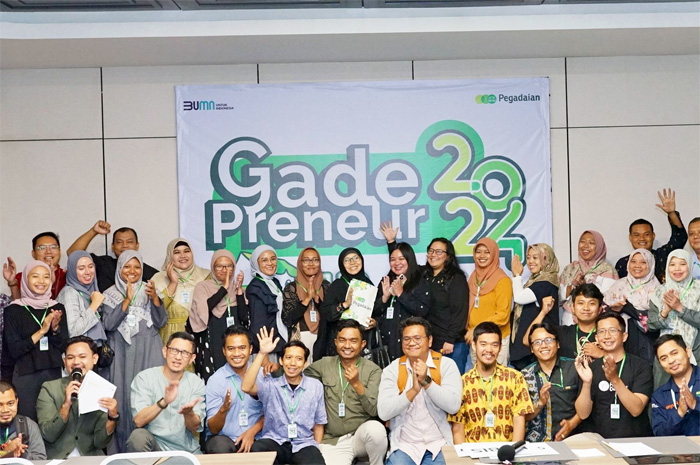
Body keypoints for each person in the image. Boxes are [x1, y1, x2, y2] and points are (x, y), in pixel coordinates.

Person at [380, 224, 470, 375]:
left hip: (450, 343)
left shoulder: (456, 278)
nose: (433, 254)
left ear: (448, 256)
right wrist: (391, 243)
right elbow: (403, 263)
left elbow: (460, 312)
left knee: (451, 382)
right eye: (431, 251)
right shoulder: (423, 274)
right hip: (429, 341)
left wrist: (450, 339)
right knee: (430, 382)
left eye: (439, 251)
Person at [102, 250, 168, 452]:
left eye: (137, 267)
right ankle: (122, 453)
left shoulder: (150, 289)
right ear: (119, 268)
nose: (132, 271)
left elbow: (161, 322)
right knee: (122, 399)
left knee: (150, 396)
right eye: (127, 266)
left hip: (148, 351)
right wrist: (127, 300)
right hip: (121, 353)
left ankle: (150, 449)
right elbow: (109, 324)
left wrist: (155, 298)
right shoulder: (110, 294)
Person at [378, 316, 461, 465]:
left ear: (430, 341)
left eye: (417, 338)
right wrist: (413, 391)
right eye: (406, 339)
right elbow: (384, 412)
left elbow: (453, 406)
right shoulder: (392, 370)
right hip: (405, 445)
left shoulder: (446, 365)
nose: (411, 343)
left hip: (439, 442)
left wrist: (427, 382)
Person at [305, 319, 386, 465]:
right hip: (334, 440)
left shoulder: (373, 370)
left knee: (376, 430)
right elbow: (297, 377)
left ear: (362, 344)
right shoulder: (324, 364)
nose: (347, 346)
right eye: (342, 340)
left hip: (360, 436)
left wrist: (356, 383)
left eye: (353, 341)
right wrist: (276, 370)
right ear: (336, 342)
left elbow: (373, 410)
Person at [242, 328, 327, 465]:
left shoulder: (315, 386)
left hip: (303, 443)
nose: (293, 363)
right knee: (258, 448)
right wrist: (262, 353)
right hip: (276, 441)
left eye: (299, 359)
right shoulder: (271, 384)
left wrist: (315, 448)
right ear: (281, 361)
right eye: (288, 358)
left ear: (305, 363)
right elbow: (246, 387)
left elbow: (319, 423)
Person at [3, 260, 68, 421]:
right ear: (26, 279)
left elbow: (63, 345)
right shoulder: (13, 310)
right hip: (25, 375)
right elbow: (14, 350)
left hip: (53, 374)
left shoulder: (57, 307)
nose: (41, 281)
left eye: (46, 277)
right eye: (35, 276)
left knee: (54, 422)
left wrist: (55, 329)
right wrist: (42, 331)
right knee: (27, 423)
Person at [450, 321, 533, 443]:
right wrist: (463, 454)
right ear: (474, 345)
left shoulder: (515, 378)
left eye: (494, 345)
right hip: (472, 451)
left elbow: (519, 421)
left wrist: (513, 452)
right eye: (483, 344)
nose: (489, 350)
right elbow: (458, 426)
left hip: (505, 451)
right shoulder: (462, 382)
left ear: (500, 347)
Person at [36, 336, 117, 458]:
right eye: (70, 358)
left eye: (82, 357)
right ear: (64, 361)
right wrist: (65, 406)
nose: (76, 362)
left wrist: (112, 418)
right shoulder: (49, 389)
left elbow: (100, 442)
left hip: (90, 459)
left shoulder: (103, 389)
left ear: (95, 358)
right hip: (59, 459)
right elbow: (48, 435)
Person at [575, 312, 653, 438]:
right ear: (596, 338)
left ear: (624, 336)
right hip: (601, 440)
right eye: (602, 331)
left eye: (613, 330)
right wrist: (587, 383)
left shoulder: (641, 366)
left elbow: (636, 409)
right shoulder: (591, 368)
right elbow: (583, 414)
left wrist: (615, 379)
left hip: (635, 440)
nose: (607, 336)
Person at [128, 332, 205, 453]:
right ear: (165, 351)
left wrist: (189, 413)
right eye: (174, 350)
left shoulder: (196, 383)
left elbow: (194, 427)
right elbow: (138, 421)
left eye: (185, 353)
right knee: (138, 437)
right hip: (154, 448)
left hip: (186, 451)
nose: (178, 357)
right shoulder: (145, 378)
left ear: (192, 358)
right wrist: (164, 402)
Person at [203, 325, 263, 454]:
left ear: (250, 349)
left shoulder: (262, 375)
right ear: (224, 351)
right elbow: (213, 429)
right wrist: (223, 410)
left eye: (242, 348)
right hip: (225, 438)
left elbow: (273, 413)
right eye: (231, 349)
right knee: (219, 446)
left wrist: (251, 432)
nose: (236, 354)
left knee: (266, 447)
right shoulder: (215, 380)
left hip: (257, 437)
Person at [189, 250, 248, 381]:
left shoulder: (237, 288)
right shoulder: (203, 287)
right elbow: (205, 309)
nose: (224, 270)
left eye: (228, 266)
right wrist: (224, 289)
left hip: (235, 344)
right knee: (215, 379)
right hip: (213, 341)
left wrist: (239, 291)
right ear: (212, 267)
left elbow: (244, 318)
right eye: (219, 266)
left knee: (237, 379)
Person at [521, 323, 583, 442]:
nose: (543, 345)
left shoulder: (575, 368)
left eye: (548, 340)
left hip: (570, 439)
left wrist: (572, 424)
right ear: (532, 349)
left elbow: (588, 404)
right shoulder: (524, 375)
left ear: (558, 344)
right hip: (535, 442)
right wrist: (540, 403)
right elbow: (522, 417)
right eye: (537, 342)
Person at [648, 249, 700, 387]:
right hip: (666, 355)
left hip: (696, 351)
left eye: (682, 264)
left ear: (690, 265)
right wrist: (665, 311)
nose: (677, 269)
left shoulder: (698, 289)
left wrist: (680, 308)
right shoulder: (659, 291)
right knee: (664, 394)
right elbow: (650, 324)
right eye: (672, 264)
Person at [615, 189, 688, 282]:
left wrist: (671, 213)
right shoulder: (622, 264)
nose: (642, 238)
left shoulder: (662, 255)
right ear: (630, 238)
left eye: (646, 234)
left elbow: (680, 238)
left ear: (653, 236)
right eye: (637, 235)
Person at [373, 242, 430, 361]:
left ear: (409, 259)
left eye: (401, 259)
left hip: (411, 344)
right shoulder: (386, 281)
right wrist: (384, 297)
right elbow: (374, 312)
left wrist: (401, 294)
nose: (396, 263)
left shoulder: (420, 280)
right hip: (388, 344)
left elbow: (422, 310)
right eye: (392, 259)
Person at [65, 221, 158, 291]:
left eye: (129, 242)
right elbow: (73, 254)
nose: (124, 245)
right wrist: (93, 231)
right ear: (112, 246)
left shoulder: (150, 273)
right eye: (119, 242)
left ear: (137, 246)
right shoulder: (103, 264)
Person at [604, 249, 661, 363]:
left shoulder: (657, 289)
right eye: (633, 261)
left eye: (643, 262)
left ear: (650, 265)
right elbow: (602, 311)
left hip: (645, 341)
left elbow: (657, 320)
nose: (637, 266)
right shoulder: (619, 285)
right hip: (617, 338)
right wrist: (614, 309)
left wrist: (627, 308)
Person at [510, 243, 560, 370]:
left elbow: (519, 298)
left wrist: (517, 275)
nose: (530, 261)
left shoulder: (546, 283)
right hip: (529, 347)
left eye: (535, 257)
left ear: (546, 259)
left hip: (536, 346)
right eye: (528, 257)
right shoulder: (535, 280)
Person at [152, 238, 210, 346]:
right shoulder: (158, 279)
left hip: (199, 336)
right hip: (169, 337)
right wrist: (173, 283)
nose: (183, 255)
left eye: (186, 251)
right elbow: (157, 312)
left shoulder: (206, 276)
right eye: (177, 252)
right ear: (170, 256)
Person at [320, 248, 375, 359]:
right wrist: (345, 304)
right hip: (341, 345)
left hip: (363, 346)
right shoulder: (337, 285)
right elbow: (327, 314)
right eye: (347, 260)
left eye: (356, 258)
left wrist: (374, 322)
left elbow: (375, 312)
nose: (352, 262)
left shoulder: (368, 284)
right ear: (342, 265)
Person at [466, 238, 512, 366]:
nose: (482, 256)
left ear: (494, 254)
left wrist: (476, 329)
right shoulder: (473, 277)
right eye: (478, 252)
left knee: (496, 377)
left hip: (495, 339)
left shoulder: (502, 280)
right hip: (476, 338)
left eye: (487, 252)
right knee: (478, 376)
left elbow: (503, 315)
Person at [282, 247, 330, 365]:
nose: (311, 263)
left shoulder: (326, 286)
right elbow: (288, 319)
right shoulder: (291, 288)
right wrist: (307, 299)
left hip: (323, 338)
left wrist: (317, 299)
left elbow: (330, 315)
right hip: (301, 338)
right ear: (300, 263)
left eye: (315, 260)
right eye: (306, 260)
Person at [559, 230, 617, 325]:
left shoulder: (607, 270)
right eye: (582, 241)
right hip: (568, 322)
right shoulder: (570, 268)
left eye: (591, 243)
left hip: (596, 322)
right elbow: (557, 298)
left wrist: (586, 287)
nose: (585, 246)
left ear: (599, 247)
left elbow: (610, 300)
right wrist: (572, 287)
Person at [651, 334, 700, 436]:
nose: (671, 361)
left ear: (688, 352)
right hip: (679, 446)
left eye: (674, 353)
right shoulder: (659, 396)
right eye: (664, 358)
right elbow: (660, 434)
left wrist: (695, 405)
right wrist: (680, 413)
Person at [56, 251, 107, 349]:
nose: (88, 272)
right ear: (72, 271)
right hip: (79, 353)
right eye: (81, 268)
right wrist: (94, 305)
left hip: (92, 350)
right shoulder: (69, 293)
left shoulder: (92, 291)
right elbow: (73, 331)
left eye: (91, 266)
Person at [246, 245, 288, 358]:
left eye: (273, 259)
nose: (270, 263)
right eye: (264, 260)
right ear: (256, 263)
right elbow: (257, 324)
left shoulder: (274, 282)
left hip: (278, 344)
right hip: (267, 349)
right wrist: (263, 354)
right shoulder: (256, 287)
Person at [3, 232, 66, 300]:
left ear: (59, 251)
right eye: (42, 248)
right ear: (33, 254)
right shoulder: (23, 276)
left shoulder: (68, 276)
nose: (48, 252)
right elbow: (19, 304)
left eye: (53, 247)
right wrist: (12, 282)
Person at [557, 284, 605, 360]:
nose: (586, 308)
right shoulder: (561, 333)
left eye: (592, 303)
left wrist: (602, 354)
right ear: (572, 307)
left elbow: (622, 360)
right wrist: (543, 312)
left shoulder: (608, 336)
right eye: (581, 303)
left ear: (600, 309)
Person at [0, 380, 45, 460]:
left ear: (17, 402)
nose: (5, 410)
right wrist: (5, 452)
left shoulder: (28, 426)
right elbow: (6, 452)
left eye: (10, 404)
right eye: (0, 405)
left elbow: (41, 460)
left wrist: (21, 453)